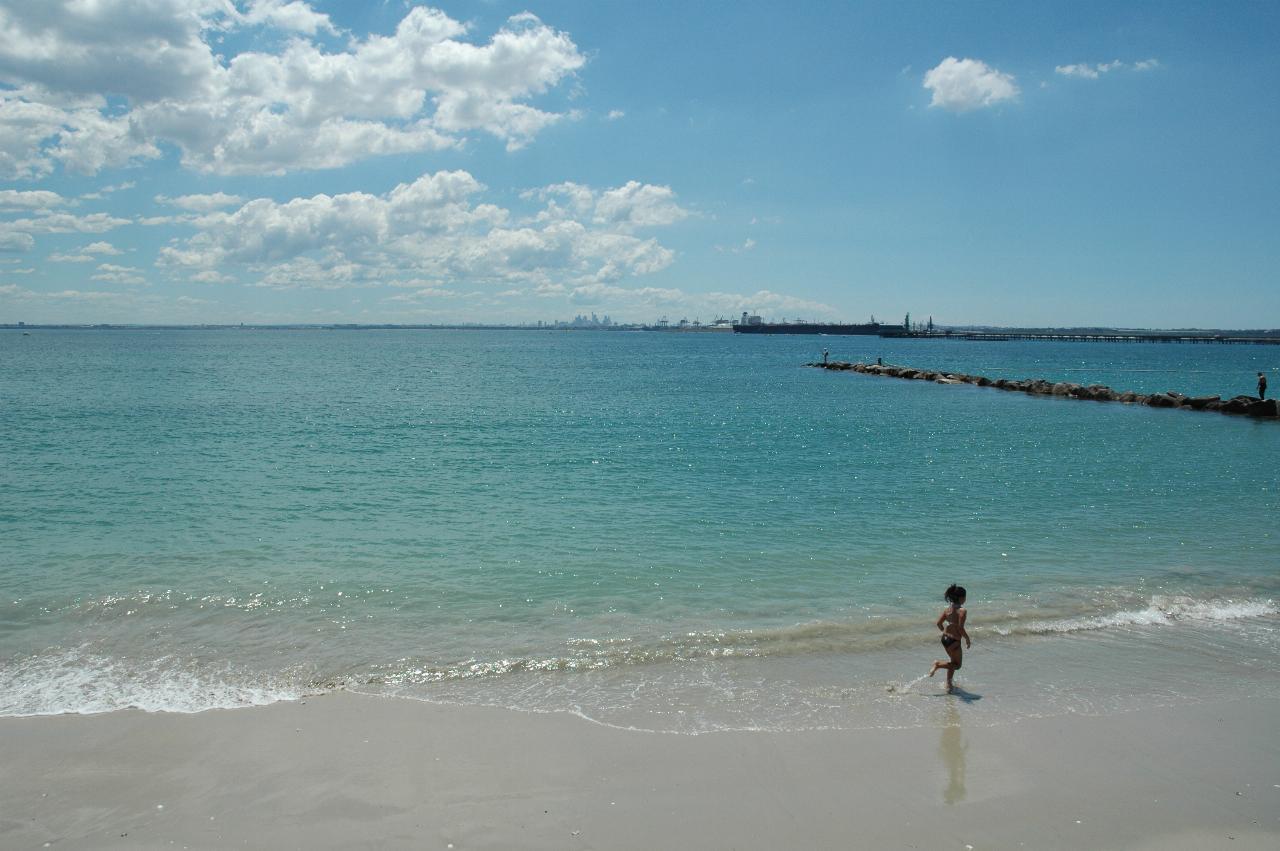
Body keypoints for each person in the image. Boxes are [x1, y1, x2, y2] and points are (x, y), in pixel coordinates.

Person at [929, 584, 971, 692]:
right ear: (962, 598)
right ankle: (937, 664)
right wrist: (967, 638)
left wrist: (945, 633)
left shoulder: (947, 609)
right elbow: (961, 628)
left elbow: (938, 623)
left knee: (952, 662)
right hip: (954, 642)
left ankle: (949, 684)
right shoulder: (962, 611)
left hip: (945, 639)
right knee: (957, 665)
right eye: (965, 597)